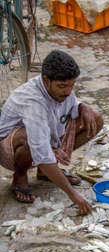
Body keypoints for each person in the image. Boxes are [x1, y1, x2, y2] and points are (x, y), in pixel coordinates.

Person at [0, 50, 103, 214]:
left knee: (94, 118)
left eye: (72, 85)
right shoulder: (33, 101)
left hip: (47, 137)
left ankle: (45, 172)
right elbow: (40, 151)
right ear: (46, 81)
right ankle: (19, 177)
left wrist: (83, 106)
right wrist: (73, 195)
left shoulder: (63, 88)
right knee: (30, 137)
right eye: (62, 86)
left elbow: (72, 104)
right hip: (11, 149)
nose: (68, 91)